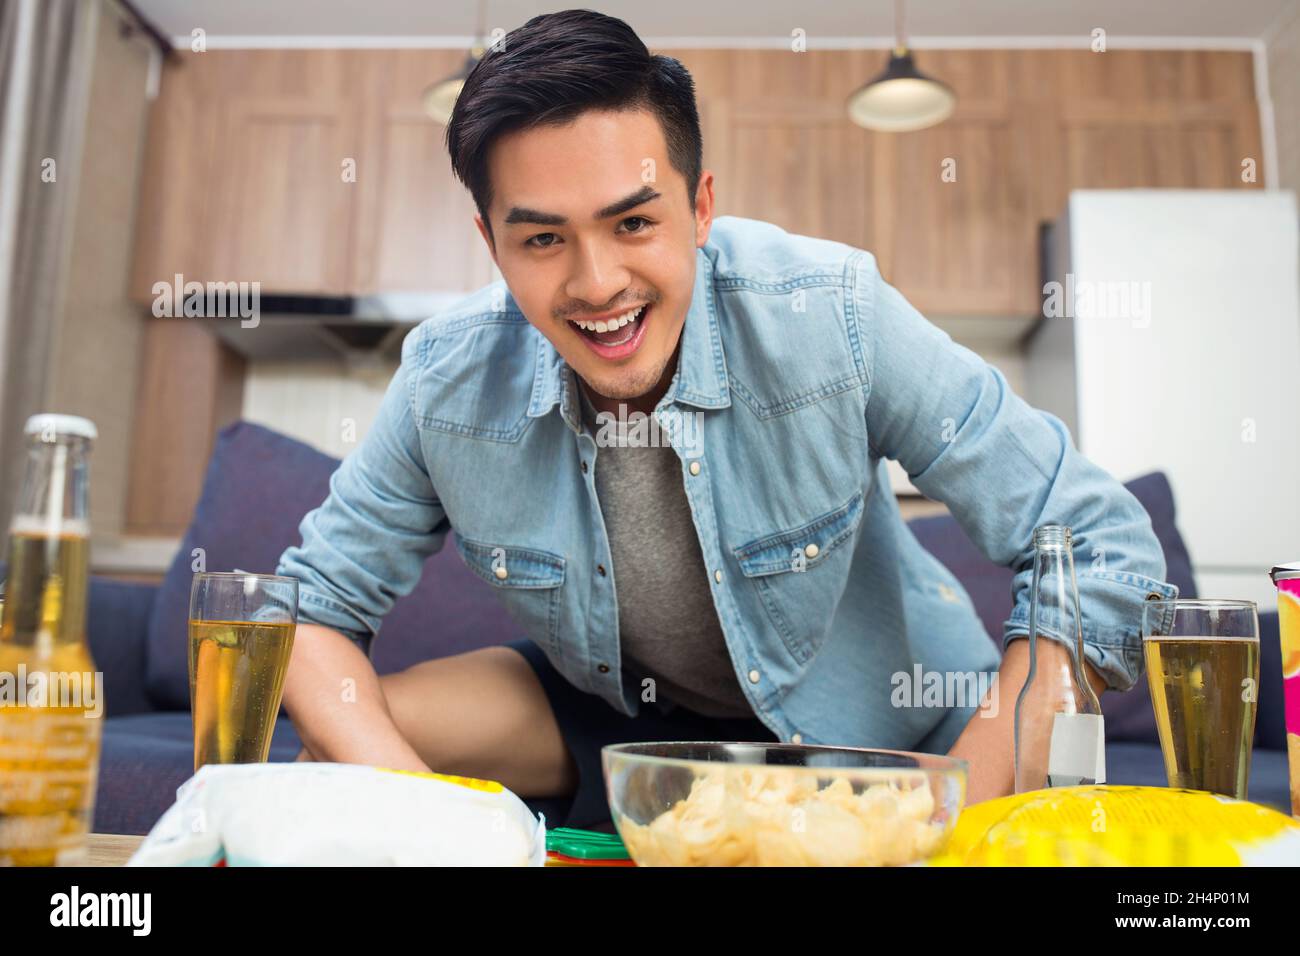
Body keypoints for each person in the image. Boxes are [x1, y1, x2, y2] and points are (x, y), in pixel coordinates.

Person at [276, 9, 1176, 828]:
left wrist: (944, 820)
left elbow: (1100, 546)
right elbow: (309, 612)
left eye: (633, 224)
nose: (597, 286)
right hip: (636, 727)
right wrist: (433, 832)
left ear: (700, 206)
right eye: (543, 239)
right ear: (491, 244)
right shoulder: (447, 376)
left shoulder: (832, 313)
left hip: (885, 730)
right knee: (340, 753)